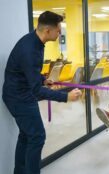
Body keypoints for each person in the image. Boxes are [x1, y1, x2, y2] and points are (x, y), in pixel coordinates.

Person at [2, 11, 82, 174]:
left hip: (18, 94)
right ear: (48, 31)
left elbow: (26, 71)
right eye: (58, 31)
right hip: (19, 98)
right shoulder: (30, 49)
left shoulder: (35, 41)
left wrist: (41, 78)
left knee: (26, 135)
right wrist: (66, 96)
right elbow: (36, 91)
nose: (60, 34)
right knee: (37, 136)